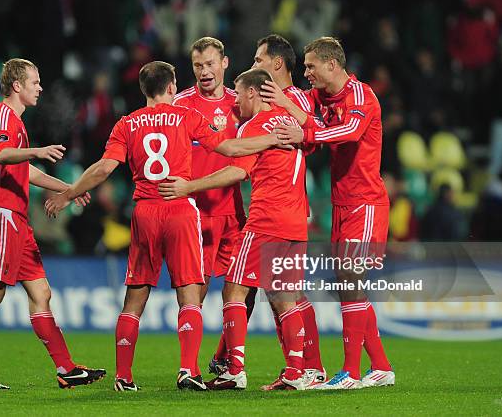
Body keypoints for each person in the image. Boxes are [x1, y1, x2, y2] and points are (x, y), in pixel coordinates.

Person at [44, 61, 283, 392]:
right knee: (188, 295)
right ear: (172, 87)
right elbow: (229, 148)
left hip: (144, 211)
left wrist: (70, 193)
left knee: (134, 298)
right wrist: (271, 139)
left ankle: (123, 377)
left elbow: (103, 168)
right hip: (180, 209)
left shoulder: (127, 124)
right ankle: (189, 370)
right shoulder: (185, 115)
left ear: (144, 90)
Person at [159, 68, 310, 391]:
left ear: (253, 93)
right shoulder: (291, 122)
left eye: (239, 94)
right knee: (285, 296)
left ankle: (234, 369)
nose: (235, 101)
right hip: (297, 221)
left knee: (234, 289)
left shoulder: (252, 128)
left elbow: (235, 173)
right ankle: (297, 371)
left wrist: (189, 187)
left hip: (266, 220)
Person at [0, 58, 105, 390]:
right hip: (0, 213)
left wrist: (69, 190)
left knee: (41, 292)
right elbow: (2, 155)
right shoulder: (2, 117)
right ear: (17, 85)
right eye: (35, 81)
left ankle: (66, 369)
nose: (40, 87)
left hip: (17, 219)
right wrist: (36, 150)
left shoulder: (16, 122)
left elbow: (23, 170)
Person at [266, 37, 394, 389]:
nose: (306, 72)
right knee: (348, 285)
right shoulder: (324, 98)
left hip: (366, 203)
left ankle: (351, 372)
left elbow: (350, 133)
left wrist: (304, 131)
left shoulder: (361, 95)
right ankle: (380, 366)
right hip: (342, 203)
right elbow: (309, 120)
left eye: (310, 66)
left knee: (350, 280)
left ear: (332, 65)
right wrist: (293, 115)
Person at [172, 36, 255, 377]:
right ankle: (188, 366)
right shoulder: (180, 105)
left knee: (245, 289)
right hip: (196, 213)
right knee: (198, 289)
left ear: (224, 63)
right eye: (197, 66)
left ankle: (225, 356)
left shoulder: (241, 103)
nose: (204, 72)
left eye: (209, 64)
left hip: (233, 211)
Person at [251, 33, 325, 390]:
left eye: (258, 60)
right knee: (283, 292)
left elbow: (310, 135)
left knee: (284, 293)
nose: (254, 67)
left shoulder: (293, 98)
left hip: (281, 210)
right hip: (284, 209)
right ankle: (305, 368)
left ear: (277, 63)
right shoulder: (275, 100)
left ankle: (305, 368)